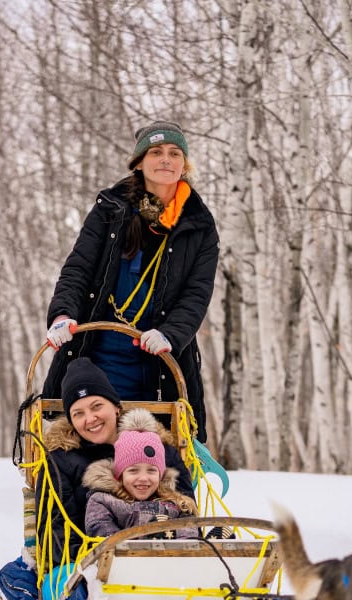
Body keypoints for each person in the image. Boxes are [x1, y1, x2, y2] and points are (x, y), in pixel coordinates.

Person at [42, 120, 219, 442]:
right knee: (86, 457)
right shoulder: (110, 210)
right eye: (156, 152)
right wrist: (62, 314)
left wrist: (171, 333)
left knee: (151, 465)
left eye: (174, 153)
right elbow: (77, 269)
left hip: (159, 361)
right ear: (139, 162)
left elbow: (198, 293)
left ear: (184, 164)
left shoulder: (200, 225)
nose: (165, 159)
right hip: (97, 355)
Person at [0, 359, 194, 600]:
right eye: (78, 413)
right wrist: (99, 561)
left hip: (161, 558)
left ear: (115, 405)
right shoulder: (60, 461)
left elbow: (188, 510)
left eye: (96, 406)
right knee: (76, 584)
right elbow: (55, 535)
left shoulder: (157, 448)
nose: (89, 419)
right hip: (82, 562)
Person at [83, 410, 198, 539]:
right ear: (119, 475)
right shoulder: (103, 502)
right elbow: (102, 535)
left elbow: (189, 535)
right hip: (123, 557)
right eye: (133, 470)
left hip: (171, 557)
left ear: (161, 475)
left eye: (151, 470)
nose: (143, 478)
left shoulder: (177, 504)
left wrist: (170, 536)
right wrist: (146, 538)